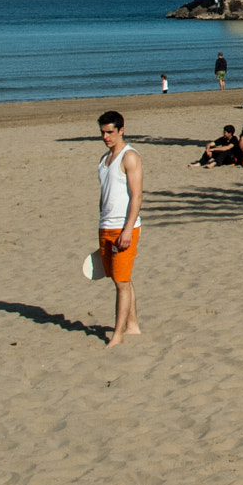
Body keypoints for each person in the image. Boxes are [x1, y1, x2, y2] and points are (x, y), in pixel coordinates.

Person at [95, 110, 142, 346]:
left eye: (110, 132)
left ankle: (118, 334)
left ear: (121, 130)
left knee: (121, 283)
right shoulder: (104, 159)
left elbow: (137, 197)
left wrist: (127, 229)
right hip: (106, 226)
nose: (105, 136)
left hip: (125, 228)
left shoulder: (129, 156)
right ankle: (132, 324)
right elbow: (105, 196)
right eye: (102, 132)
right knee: (118, 277)